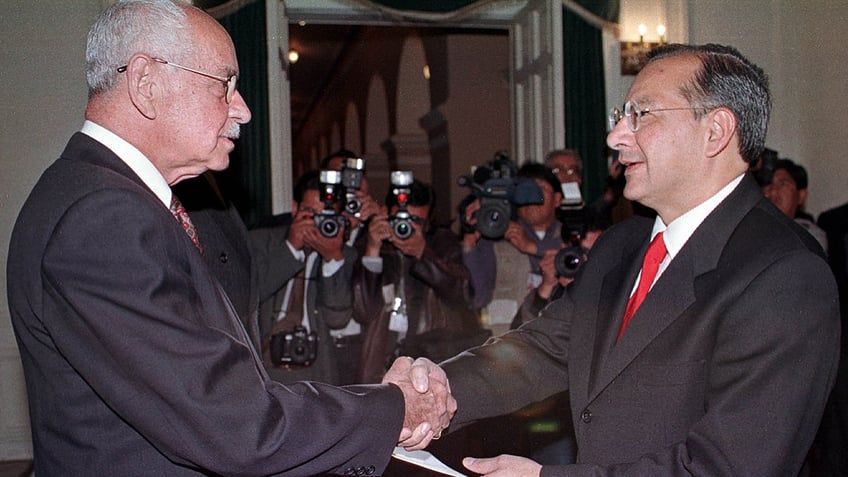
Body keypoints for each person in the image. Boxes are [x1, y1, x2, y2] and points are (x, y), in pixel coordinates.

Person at [6, 1, 453, 475]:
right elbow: (239, 428)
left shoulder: (107, 196)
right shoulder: (103, 218)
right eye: (225, 84)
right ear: (146, 83)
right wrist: (394, 407)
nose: (242, 109)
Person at [424, 43, 840, 476]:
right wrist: (429, 392)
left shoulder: (784, 274)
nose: (615, 137)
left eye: (641, 115)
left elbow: (730, 467)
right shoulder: (622, 244)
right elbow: (543, 350)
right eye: (619, 117)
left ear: (716, 131)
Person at [353, 178, 485, 384]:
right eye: (400, 219)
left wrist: (423, 254)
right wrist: (372, 250)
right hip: (381, 360)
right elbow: (363, 310)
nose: (406, 227)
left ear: (428, 221)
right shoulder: (373, 242)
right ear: (386, 212)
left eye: (417, 221)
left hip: (430, 358)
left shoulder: (442, 242)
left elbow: (463, 295)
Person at [249, 170, 358, 385]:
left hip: (316, 372)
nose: (316, 224)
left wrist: (332, 259)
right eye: (309, 213)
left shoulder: (346, 255)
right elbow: (248, 295)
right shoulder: (260, 242)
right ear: (294, 208)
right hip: (263, 367)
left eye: (325, 216)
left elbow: (338, 319)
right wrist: (290, 249)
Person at [762, 157, 828, 253]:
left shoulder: (811, 235)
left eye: (783, 184)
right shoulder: (752, 227)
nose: (773, 191)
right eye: (769, 185)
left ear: (801, 196)